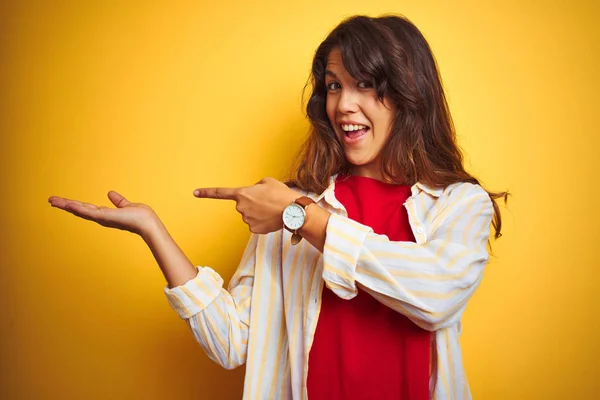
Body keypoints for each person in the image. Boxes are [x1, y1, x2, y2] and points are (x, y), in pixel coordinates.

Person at [48, 14, 507, 400]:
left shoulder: (458, 205)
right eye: (333, 86)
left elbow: (436, 297)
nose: (343, 104)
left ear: (411, 94)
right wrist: (154, 232)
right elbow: (234, 342)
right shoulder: (290, 204)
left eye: (365, 84)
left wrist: (302, 216)